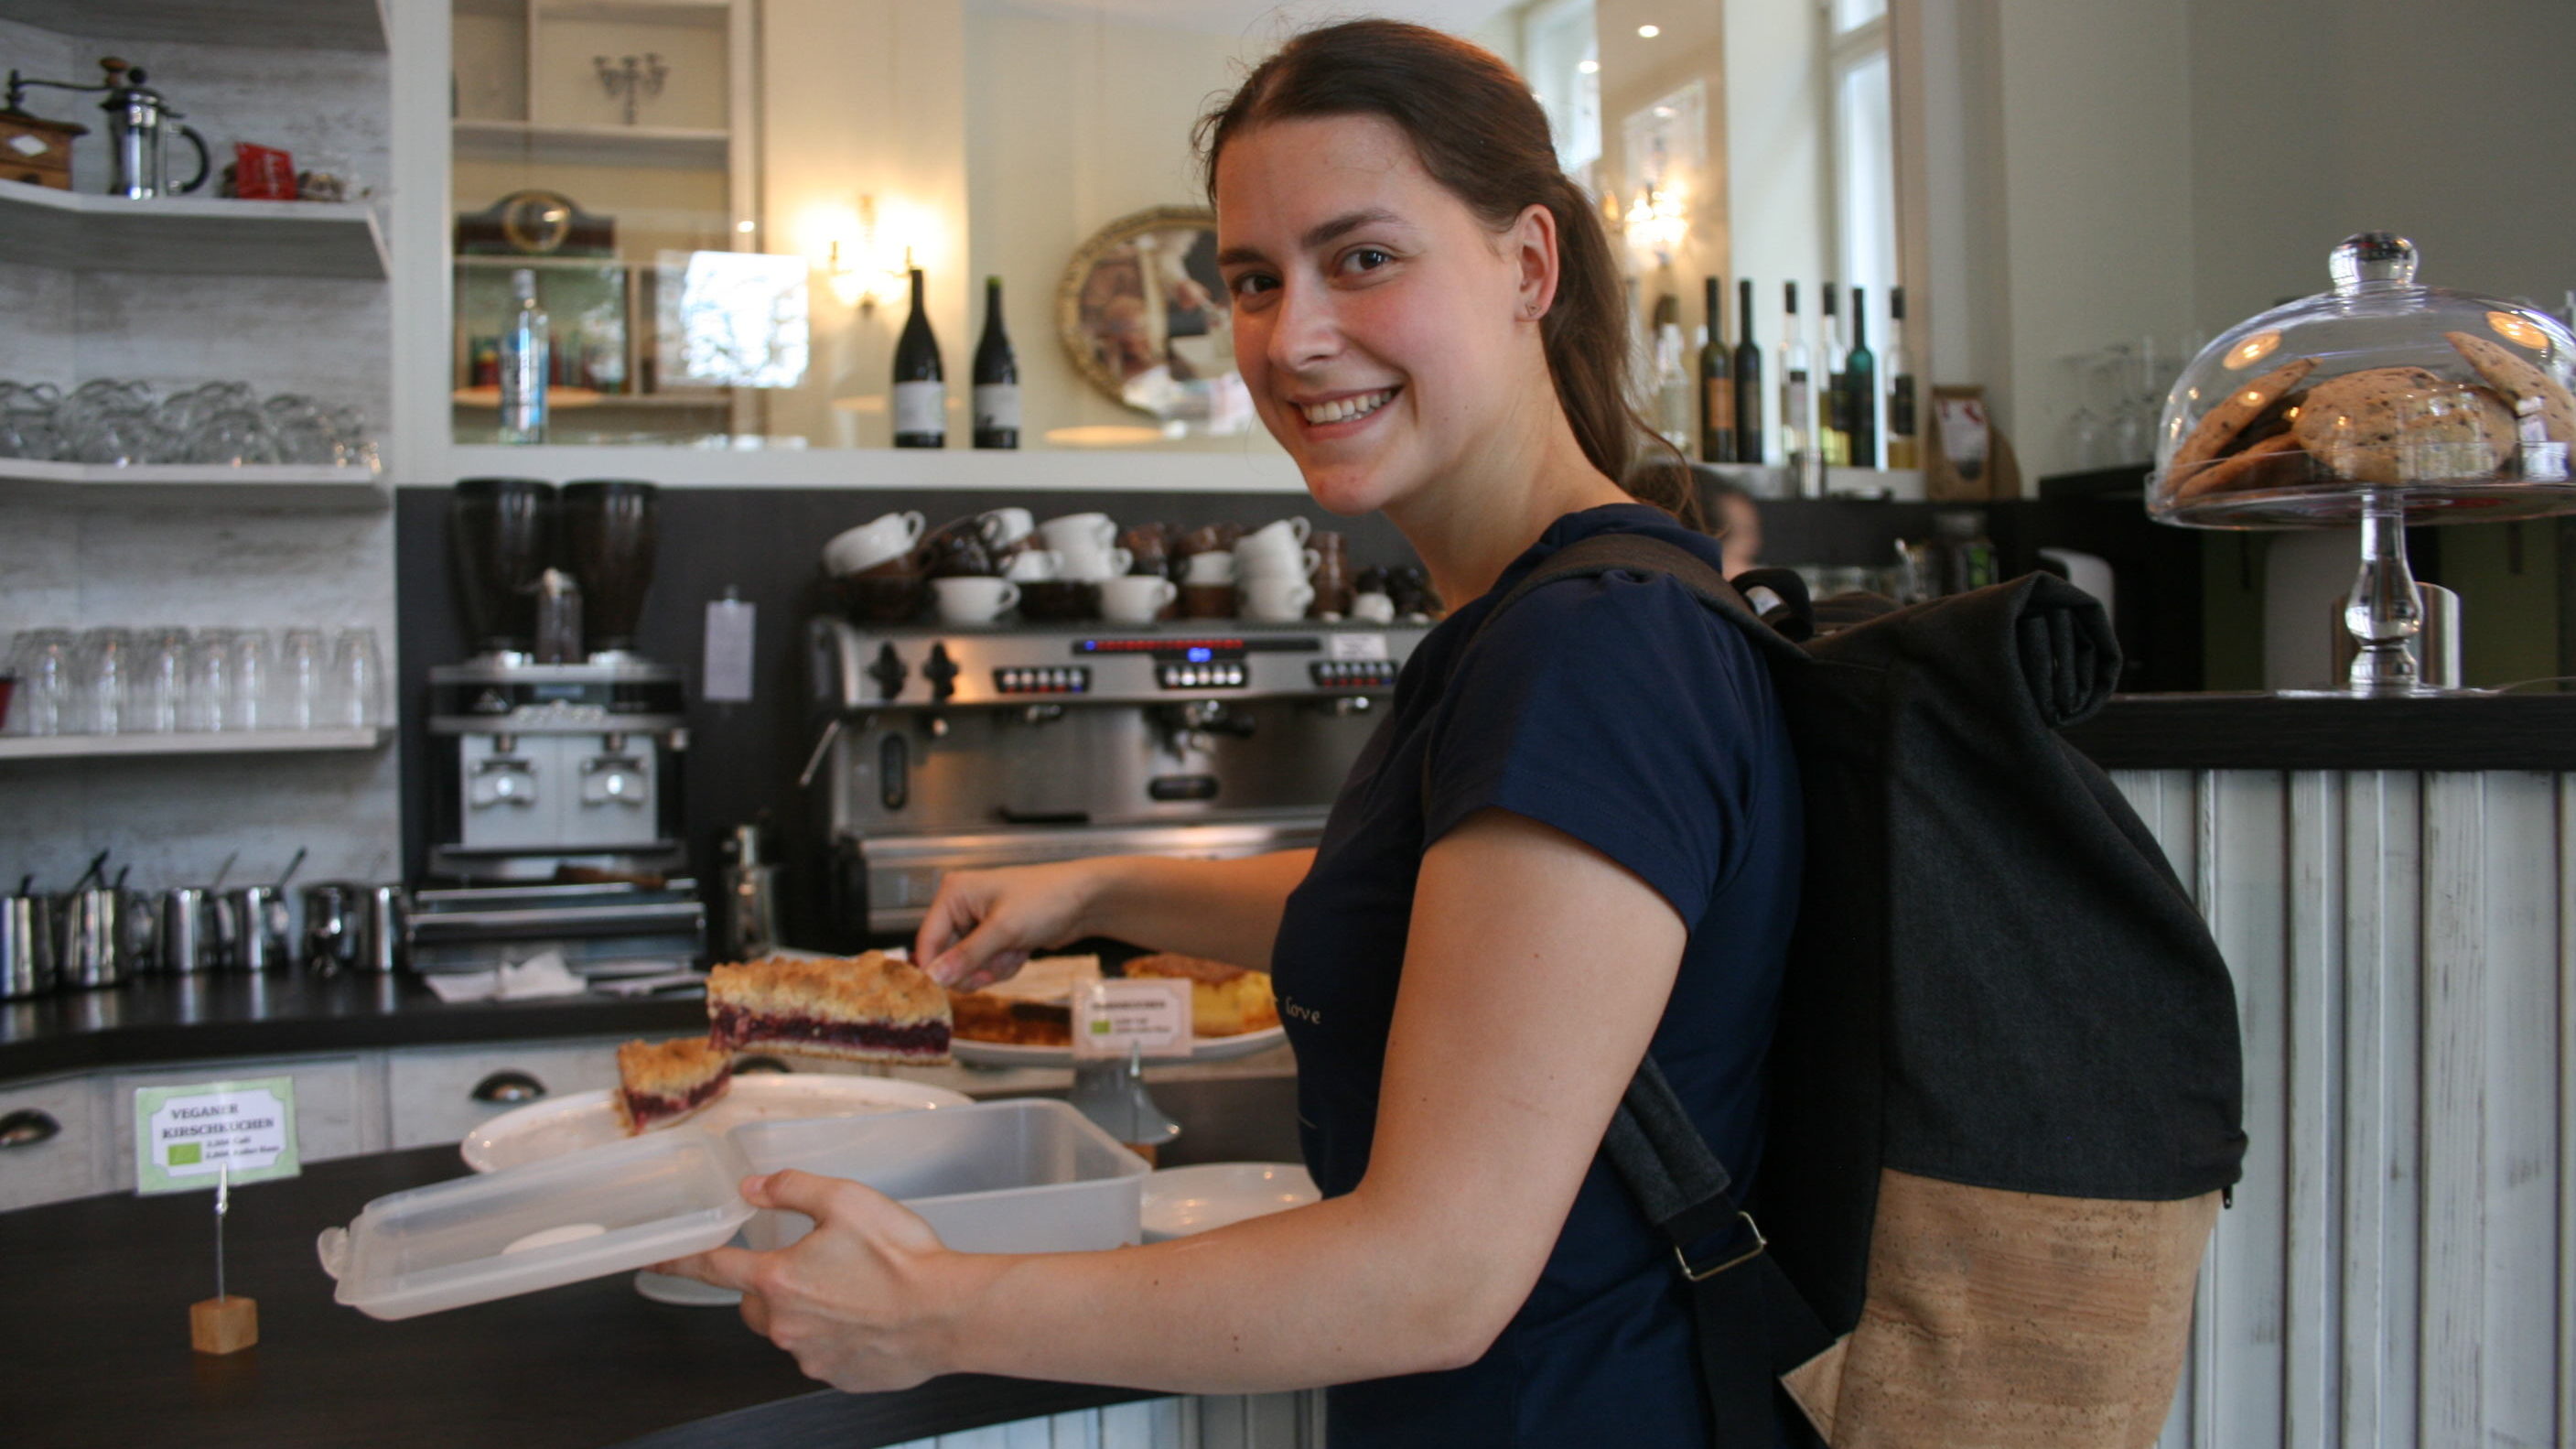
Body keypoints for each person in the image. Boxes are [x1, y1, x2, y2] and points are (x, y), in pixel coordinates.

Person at [663, 21, 1804, 1445]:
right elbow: (1445, 927)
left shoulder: (1593, 647)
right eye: (1255, 280)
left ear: (1528, 265)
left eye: (1363, 258)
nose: (1292, 338)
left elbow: (1432, 1279)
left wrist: (934, 1310)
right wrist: (1091, 889)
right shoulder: (1542, 615)